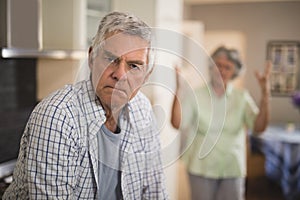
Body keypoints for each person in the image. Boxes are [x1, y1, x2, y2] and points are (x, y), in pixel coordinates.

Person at [3, 11, 168, 199]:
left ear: (147, 74)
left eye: (134, 66)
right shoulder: (58, 117)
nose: (120, 74)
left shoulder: (143, 110)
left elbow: (154, 190)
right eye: (111, 59)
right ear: (91, 58)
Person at [171, 46, 270, 200]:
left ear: (234, 72)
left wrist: (265, 95)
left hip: (232, 168)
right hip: (200, 167)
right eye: (218, 65)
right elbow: (177, 123)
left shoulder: (242, 97)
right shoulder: (196, 95)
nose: (221, 70)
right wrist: (178, 89)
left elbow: (259, 128)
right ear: (211, 67)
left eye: (227, 67)